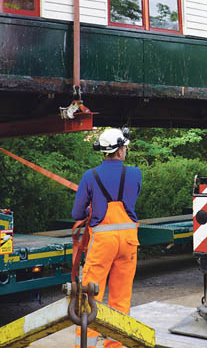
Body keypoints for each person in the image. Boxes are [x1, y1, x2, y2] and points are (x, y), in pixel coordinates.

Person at [72, 128, 142, 348]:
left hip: (102, 241)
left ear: (104, 151)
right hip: (129, 240)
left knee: (90, 296)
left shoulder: (90, 176)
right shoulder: (135, 173)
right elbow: (132, 196)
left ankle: (85, 344)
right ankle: (114, 345)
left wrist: (92, 208)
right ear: (120, 150)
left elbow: (77, 214)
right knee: (121, 297)